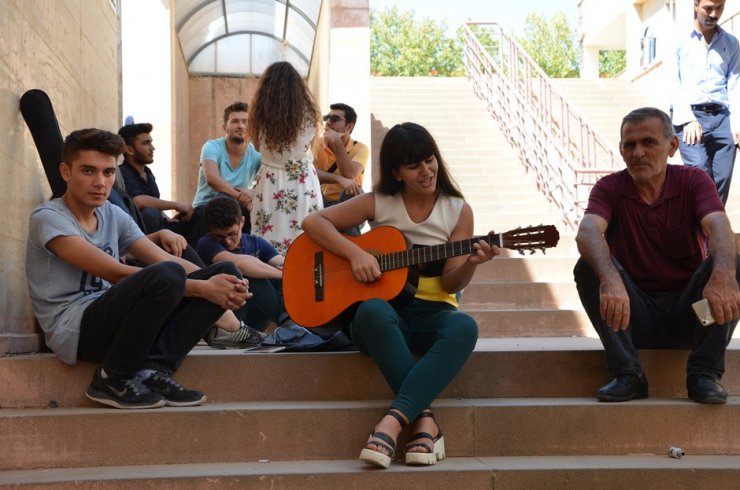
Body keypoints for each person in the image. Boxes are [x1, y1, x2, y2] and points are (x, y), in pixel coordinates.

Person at [301, 122, 499, 468]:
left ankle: (394, 422)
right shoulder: (380, 202)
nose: (426, 171)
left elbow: (452, 284)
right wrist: (356, 254)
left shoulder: (457, 210)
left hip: (431, 314)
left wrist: (472, 264)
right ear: (396, 172)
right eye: (414, 165)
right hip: (382, 317)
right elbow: (313, 223)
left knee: (464, 327)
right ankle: (423, 422)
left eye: (429, 160)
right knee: (372, 311)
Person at [25, 128, 252, 409]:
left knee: (225, 272)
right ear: (65, 172)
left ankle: (152, 370)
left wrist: (222, 288)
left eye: (108, 173)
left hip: (121, 321)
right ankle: (111, 378)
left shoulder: (111, 213)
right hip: (76, 330)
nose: (100, 182)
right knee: (168, 277)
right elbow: (116, 273)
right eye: (88, 171)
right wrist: (203, 289)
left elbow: (161, 257)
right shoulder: (48, 218)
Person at [574, 107, 740, 405]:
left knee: (733, 264)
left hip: (693, 316)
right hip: (631, 317)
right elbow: (587, 231)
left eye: (649, 142)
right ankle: (629, 374)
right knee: (589, 265)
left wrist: (724, 276)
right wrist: (610, 279)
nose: (638, 152)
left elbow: (718, 225)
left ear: (672, 146)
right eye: (630, 145)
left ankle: (703, 374)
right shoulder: (609, 188)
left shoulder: (694, 181)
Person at [197, 196, 298, 347]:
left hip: (253, 318)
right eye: (219, 236)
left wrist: (291, 273)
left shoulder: (256, 243)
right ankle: (288, 323)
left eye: (232, 234)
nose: (227, 241)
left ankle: (292, 322)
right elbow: (239, 263)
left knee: (277, 274)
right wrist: (282, 273)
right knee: (248, 273)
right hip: (225, 320)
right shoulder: (206, 243)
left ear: (242, 222)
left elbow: (286, 264)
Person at [247, 61, 323, 255]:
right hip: (304, 182)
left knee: (268, 235)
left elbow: (257, 146)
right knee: (306, 236)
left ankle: (271, 275)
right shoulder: (310, 116)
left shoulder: (260, 116)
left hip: (272, 180)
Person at [669, 0, 740, 204]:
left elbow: (735, 84)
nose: (714, 14)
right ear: (696, 5)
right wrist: (687, 120)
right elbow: (673, 83)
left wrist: (737, 124)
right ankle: (698, 232)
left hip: (723, 117)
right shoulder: (678, 40)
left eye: (719, 8)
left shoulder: (731, 43)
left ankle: (709, 233)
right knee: (700, 175)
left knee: (722, 180)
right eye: (708, 8)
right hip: (690, 116)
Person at [188, 101, 262, 244]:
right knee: (225, 198)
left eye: (245, 122)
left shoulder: (256, 154)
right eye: (235, 121)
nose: (240, 126)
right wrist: (240, 196)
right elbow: (212, 179)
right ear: (224, 127)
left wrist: (253, 193)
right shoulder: (211, 147)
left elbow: (271, 176)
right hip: (206, 208)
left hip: (237, 211)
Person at [117, 123, 194, 234]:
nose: (152, 148)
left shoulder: (148, 173)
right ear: (129, 150)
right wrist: (177, 205)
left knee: (199, 212)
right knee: (150, 213)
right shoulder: (122, 172)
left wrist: (169, 219)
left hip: (161, 229)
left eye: (151, 142)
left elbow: (154, 203)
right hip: (139, 236)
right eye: (145, 143)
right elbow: (138, 201)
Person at [312, 103, 370, 236]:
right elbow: (310, 173)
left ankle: (353, 245)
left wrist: (337, 142)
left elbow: (350, 174)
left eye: (335, 119)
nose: (328, 123)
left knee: (351, 190)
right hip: (324, 202)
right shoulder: (318, 144)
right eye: (327, 118)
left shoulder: (361, 148)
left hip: (349, 204)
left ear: (349, 127)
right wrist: (338, 179)